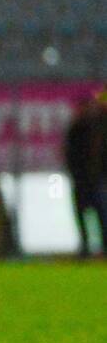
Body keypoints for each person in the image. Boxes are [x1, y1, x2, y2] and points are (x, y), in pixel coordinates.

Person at [64, 92, 107, 258]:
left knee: (101, 212)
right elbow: (70, 153)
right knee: (82, 213)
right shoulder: (77, 128)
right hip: (81, 178)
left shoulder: (100, 126)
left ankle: (103, 246)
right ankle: (85, 246)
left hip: (99, 178)